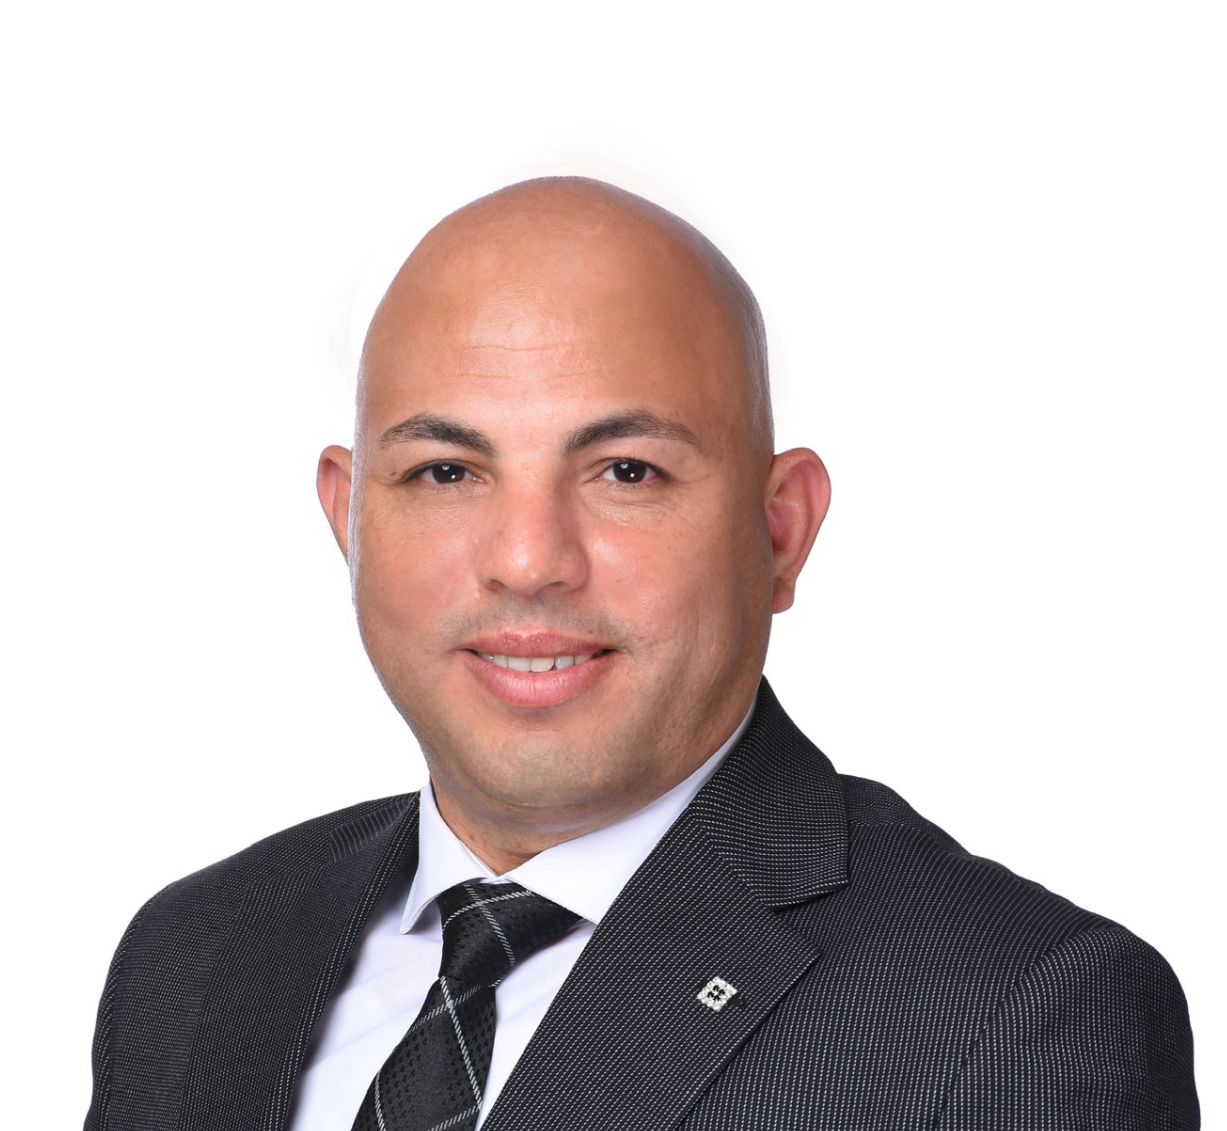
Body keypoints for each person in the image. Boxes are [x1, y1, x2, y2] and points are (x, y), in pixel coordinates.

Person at [84, 177, 1198, 1130]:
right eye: (446, 472)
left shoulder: (1014, 1014)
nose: (528, 560)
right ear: (350, 521)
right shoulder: (194, 955)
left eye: (627, 471)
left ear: (779, 532)